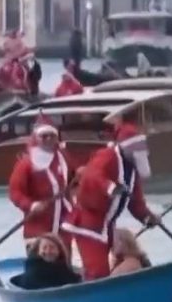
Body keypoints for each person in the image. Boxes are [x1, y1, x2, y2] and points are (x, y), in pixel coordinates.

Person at [63, 117, 160, 280]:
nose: (140, 150)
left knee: (111, 267)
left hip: (107, 226)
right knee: (97, 272)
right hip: (88, 226)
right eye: (136, 146)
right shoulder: (108, 156)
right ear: (125, 147)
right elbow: (93, 175)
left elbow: (136, 202)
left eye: (141, 146)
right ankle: (94, 295)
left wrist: (147, 217)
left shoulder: (132, 170)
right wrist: (110, 187)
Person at [7, 120, 72, 249]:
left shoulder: (63, 158)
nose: (48, 139)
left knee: (64, 261)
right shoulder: (25, 164)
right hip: (38, 225)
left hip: (63, 223)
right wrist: (30, 205)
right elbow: (15, 192)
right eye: (44, 136)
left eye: (51, 135)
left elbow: (73, 179)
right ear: (36, 138)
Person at [9, 233, 81, 290]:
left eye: (52, 247)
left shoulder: (63, 269)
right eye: (44, 247)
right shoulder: (34, 269)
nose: (48, 251)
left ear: (59, 251)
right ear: (38, 251)